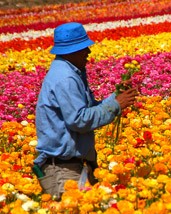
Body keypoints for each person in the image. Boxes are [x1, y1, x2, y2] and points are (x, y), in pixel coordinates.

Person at [33, 22, 138, 199]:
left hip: (72, 165)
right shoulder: (65, 78)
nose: (88, 53)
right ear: (71, 51)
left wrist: (115, 97)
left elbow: (86, 109)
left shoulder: (69, 71)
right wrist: (116, 105)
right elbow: (79, 120)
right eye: (84, 48)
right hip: (63, 170)